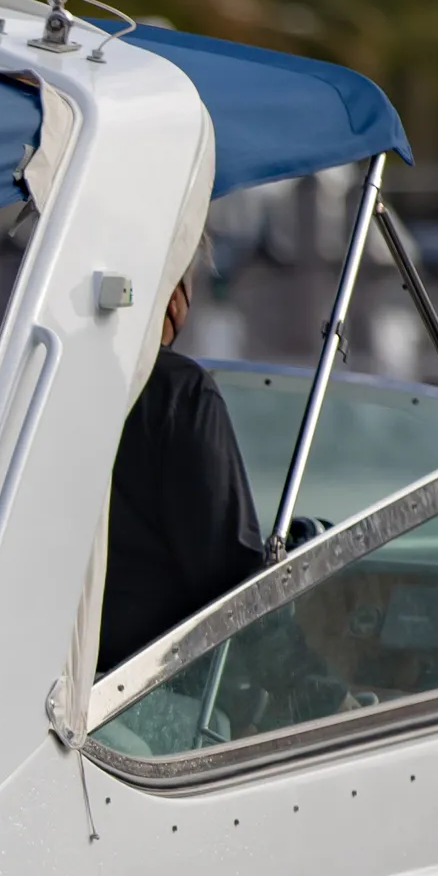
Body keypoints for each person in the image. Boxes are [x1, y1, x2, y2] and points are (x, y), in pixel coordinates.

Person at [96, 288, 265, 675]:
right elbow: (229, 579)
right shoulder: (181, 390)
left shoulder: (45, 384)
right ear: (173, 297)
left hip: (50, 679)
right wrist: (319, 685)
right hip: (153, 689)